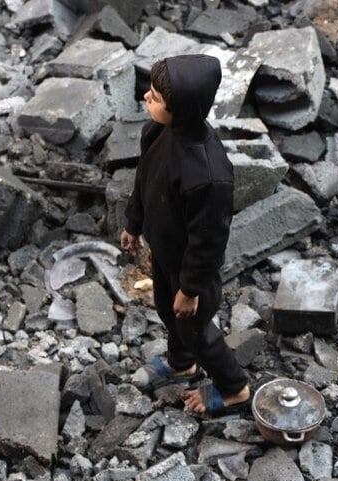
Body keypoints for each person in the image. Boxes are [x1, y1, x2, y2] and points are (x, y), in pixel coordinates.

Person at [120, 55, 251, 417]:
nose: (146, 97)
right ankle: (182, 365)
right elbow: (144, 182)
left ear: (182, 108)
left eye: (157, 97)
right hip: (164, 253)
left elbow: (209, 239)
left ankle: (234, 388)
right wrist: (134, 223)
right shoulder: (158, 132)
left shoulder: (208, 174)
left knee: (195, 327)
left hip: (191, 268)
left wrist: (191, 288)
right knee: (166, 309)